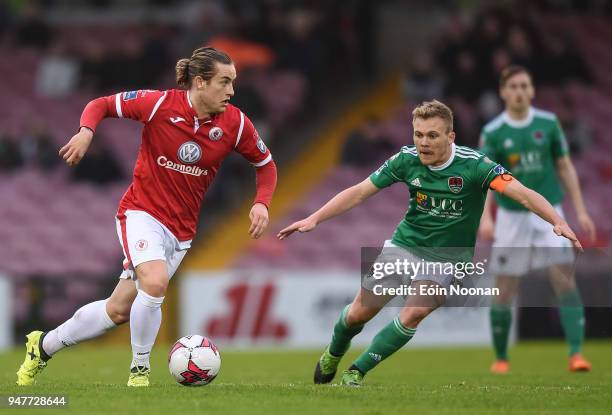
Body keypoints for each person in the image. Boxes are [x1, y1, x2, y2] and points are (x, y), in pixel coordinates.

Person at [16, 47, 277, 387]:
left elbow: (265, 165)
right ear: (200, 82)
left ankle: (43, 345)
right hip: (141, 213)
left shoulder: (236, 123)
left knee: (118, 310)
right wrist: (86, 131)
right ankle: (140, 371)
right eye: (224, 82)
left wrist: (262, 203)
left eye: (233, 83)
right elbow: (102, 105)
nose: (231, 91)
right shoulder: (158, 104)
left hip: (180, 232)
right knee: (154, 283)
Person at [278, 100, 582, 387]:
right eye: (418, 134)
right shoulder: (406, 160)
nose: (423, 142)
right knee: (359, 313)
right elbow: (359, 192)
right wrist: (314, 219)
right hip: (406, 245)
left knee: (415, 312)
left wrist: (557, 220)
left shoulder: (475, 166)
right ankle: (333, 353)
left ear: (451, 136)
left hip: (448, 257)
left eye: (432, 135)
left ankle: (357, 372)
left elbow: (523, 193)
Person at [478, 65, 596, 374]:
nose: (519, 91)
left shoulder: (548, 123)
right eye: (513, 86)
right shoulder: (493, 132)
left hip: (549, 214)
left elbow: (565, 166)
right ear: (503, 92)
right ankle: (501, 358)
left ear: (531, 90)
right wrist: (485, 218)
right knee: (504, 288)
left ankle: (576, 354)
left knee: (564, 281)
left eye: (524, 86)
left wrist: (580, 210)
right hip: (511, 216)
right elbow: (483, 177)